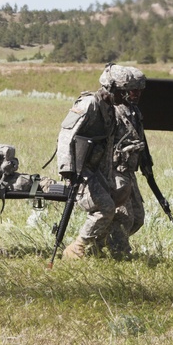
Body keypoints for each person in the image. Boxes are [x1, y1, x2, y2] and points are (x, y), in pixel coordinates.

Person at [56, 63, 126, 260]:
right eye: (123, 91)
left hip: (96, 169)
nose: (127, 96)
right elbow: (65, 135)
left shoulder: (111, 108)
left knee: (114, 203)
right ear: (110, 88)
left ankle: (94, 248)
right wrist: (67, 169)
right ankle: (77, 249)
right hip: (80, 169)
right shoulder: (89, 104)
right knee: (105, 208)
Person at [105, 66, 150, 259]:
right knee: (124, 217)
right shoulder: (110, 112)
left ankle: (103, 241)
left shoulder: (133, 111)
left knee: (138, 218)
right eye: (133, 90)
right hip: (114, 172)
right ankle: (119, 255)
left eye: (139, 90)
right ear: (122, 90)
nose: (137, 94)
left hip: (129, 172)